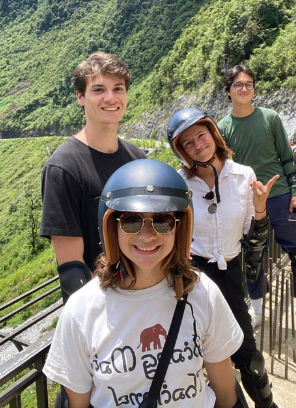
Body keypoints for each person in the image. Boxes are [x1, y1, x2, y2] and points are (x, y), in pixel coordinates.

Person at [43, 159, 245, 408]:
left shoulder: (202, 293)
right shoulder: (82, 310)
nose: (147, 235)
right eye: (131, 221)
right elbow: (77, 403)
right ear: (111, 227)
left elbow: (226, 395)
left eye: (163, 221)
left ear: (179, 228)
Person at [167, 108, 278, 408]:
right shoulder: (178, 184)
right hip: (193, 276)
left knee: (248, 355)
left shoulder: (243, 175)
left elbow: (254, 241)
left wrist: (260, 209)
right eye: (187, 143)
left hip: (230, 274)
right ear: (181, 151)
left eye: (201, 135)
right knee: (199, 357)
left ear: (214, 134)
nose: (197, 145)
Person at [218, 65, 296, 344]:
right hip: (248, 201)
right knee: (254, 257)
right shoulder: (222, 128)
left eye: (249, 83)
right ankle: (256, 310)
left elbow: (287, 158)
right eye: (238, 84)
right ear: (228, 91)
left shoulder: (270, 117)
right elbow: (222, 169)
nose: (244, 88)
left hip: (280, 195)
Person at [39, 52, 145, 302]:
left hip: (144, 297)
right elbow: (73, 272)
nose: (110, 98)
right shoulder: (63, 169)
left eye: (118, 89)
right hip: (99, 308)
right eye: (98, 90)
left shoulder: (138, 159)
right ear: (80, 97)